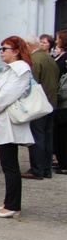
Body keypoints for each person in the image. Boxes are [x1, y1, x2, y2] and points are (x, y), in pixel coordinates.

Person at [0, 36, 34, 218]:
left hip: (9, 122)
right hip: (2, 120)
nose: (1, 51)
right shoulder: (10, 70)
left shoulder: (21, 69)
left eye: (5, 48)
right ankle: (9, 202)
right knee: (7, 164)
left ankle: (13, 205)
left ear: (16, 51)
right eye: (1, 48)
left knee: (10, 165)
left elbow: (7, 96)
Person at [22, 35, 59, 180]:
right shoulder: (49, 59)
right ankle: (45, 168)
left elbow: (31, 83)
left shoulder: (35, 60)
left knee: (37, 137)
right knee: (47, 136)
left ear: (30, 45)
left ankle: (37, 169)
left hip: (39, 105)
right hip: (50, 103)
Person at [53, 30, 67, 174]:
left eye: (59, 39)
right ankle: (62, 160)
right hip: (61, 97)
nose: (56, 42)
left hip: (64, 98)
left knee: (64, 134)